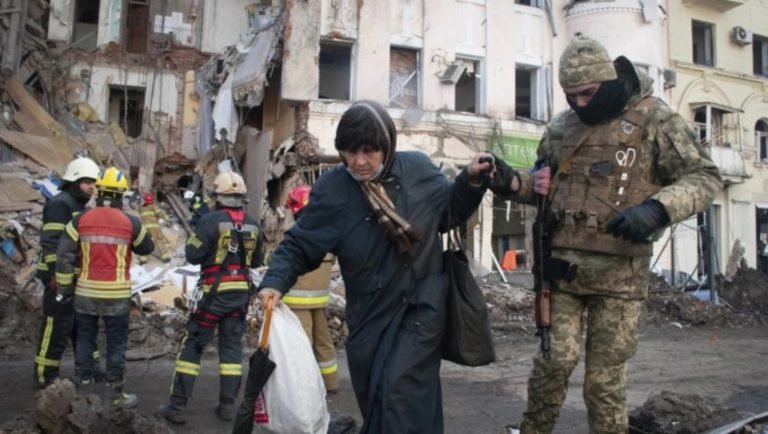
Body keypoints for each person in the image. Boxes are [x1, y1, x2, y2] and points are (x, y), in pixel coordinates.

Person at [488, 35, 723, 434]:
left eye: (588, 94)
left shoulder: (654, 120)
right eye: (570, 95)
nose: (579, 103)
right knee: (552, 363)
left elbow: (705, 177)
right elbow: (545, 190)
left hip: (620, 279)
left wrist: (656, 209)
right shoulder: (561, 127)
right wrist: (511, 183)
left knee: (604, 382)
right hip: (563, 271)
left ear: (608, 80)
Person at [257, 100, 496, 434]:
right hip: (369, 314)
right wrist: (274, 281)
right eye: (350, 152)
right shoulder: (334, 190)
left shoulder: (418, 171)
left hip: (420, 306)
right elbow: (300, 243)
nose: (359, 161)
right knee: (376, 397)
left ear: (387, 146)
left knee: (402, 392)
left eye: (369, 151)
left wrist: (469, 182)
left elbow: (448, 213)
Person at [158, 170, 265, 425]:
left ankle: (177, 407)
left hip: (212, 295)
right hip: (240, 296)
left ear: (217, 196)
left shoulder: (210, 220)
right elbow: (259, 260)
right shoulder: (253, 223)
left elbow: (193, 255)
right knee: (230, 350)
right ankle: (227, 406)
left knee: (193, 347)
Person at [55, 167, 154, 409]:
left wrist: (65, 289)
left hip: (86, 293)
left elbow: (63, 256)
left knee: (85, 341)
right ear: (122, 195)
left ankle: (82, 391)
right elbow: (147, 248)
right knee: (116, 343)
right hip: (117, 295)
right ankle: (115, 396)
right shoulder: (131, 222)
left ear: (97, 192)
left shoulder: (79, 219)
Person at [33, 156, 101, 388]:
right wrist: (55, 276)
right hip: (57, 277)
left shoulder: (78, 205)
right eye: (86, 182)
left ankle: (90, 366)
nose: (92, 186)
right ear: (73, 181)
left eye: (94, 182)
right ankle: (45, 374)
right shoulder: (61, 204)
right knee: (56, 324)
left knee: (79, 323)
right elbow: (51, 243)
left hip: (71, 275)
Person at [282, 184, 339, 393]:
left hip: (298, 303)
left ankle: (304, 389)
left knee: (302, 346)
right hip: (320, 300)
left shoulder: (295, 236)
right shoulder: (329, 237)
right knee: (324, 342)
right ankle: (330, 383)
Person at [137, 192, 172, 263]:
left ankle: (143, 258)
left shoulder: (140, 208)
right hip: (154, 227)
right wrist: (167, 218)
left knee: (145, 242)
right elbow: (160, 213)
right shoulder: (153, 206)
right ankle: (165, 256)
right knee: (159, 240)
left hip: (144, 228)